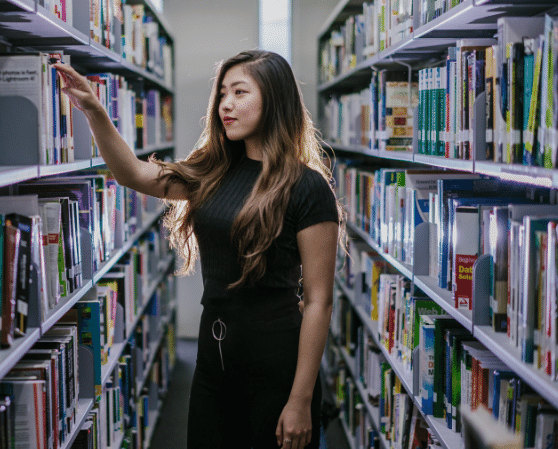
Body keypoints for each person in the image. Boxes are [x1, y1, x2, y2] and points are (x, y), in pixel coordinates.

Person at [54, 49, 343, 449]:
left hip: (276, 363)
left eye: (240, 92)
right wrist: (94, 111)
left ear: (274, 99)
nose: (226, 103)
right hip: (213, 357)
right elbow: (132, 172)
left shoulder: (307, 187)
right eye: (222, 93)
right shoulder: (213, 171)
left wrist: (300, 400)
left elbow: (318, 301)